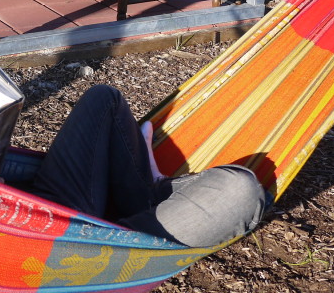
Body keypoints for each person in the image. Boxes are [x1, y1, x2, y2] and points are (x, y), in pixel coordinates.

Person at [28, 84, 271, 247]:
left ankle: (151, 188)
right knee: (239, 190)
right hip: (69, 245)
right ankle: (149, 197)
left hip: (40, 206)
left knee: (104, 98)